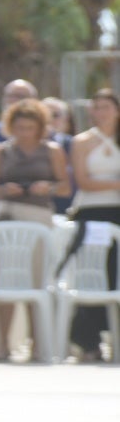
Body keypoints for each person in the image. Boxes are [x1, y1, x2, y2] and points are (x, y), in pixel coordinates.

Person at [0, 98, 68, 361]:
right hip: (7, 219)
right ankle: (2, 344)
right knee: (5, 279)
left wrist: (47, 188)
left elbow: (65, 187)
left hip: (39, 218)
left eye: (30, 127)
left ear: (40, 127)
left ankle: (38, 344)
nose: (24, 132)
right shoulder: (0, 151)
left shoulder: (52, 150)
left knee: (37, 279)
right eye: (19, 127)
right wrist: (4, 190)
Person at [68, 88, 120, 361]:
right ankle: (89, 341)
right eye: (96, 106)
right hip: (92, 213)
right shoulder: (82, 141)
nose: (101, 112)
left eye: (106, 106)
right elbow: (84, 181)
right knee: (93, 275)